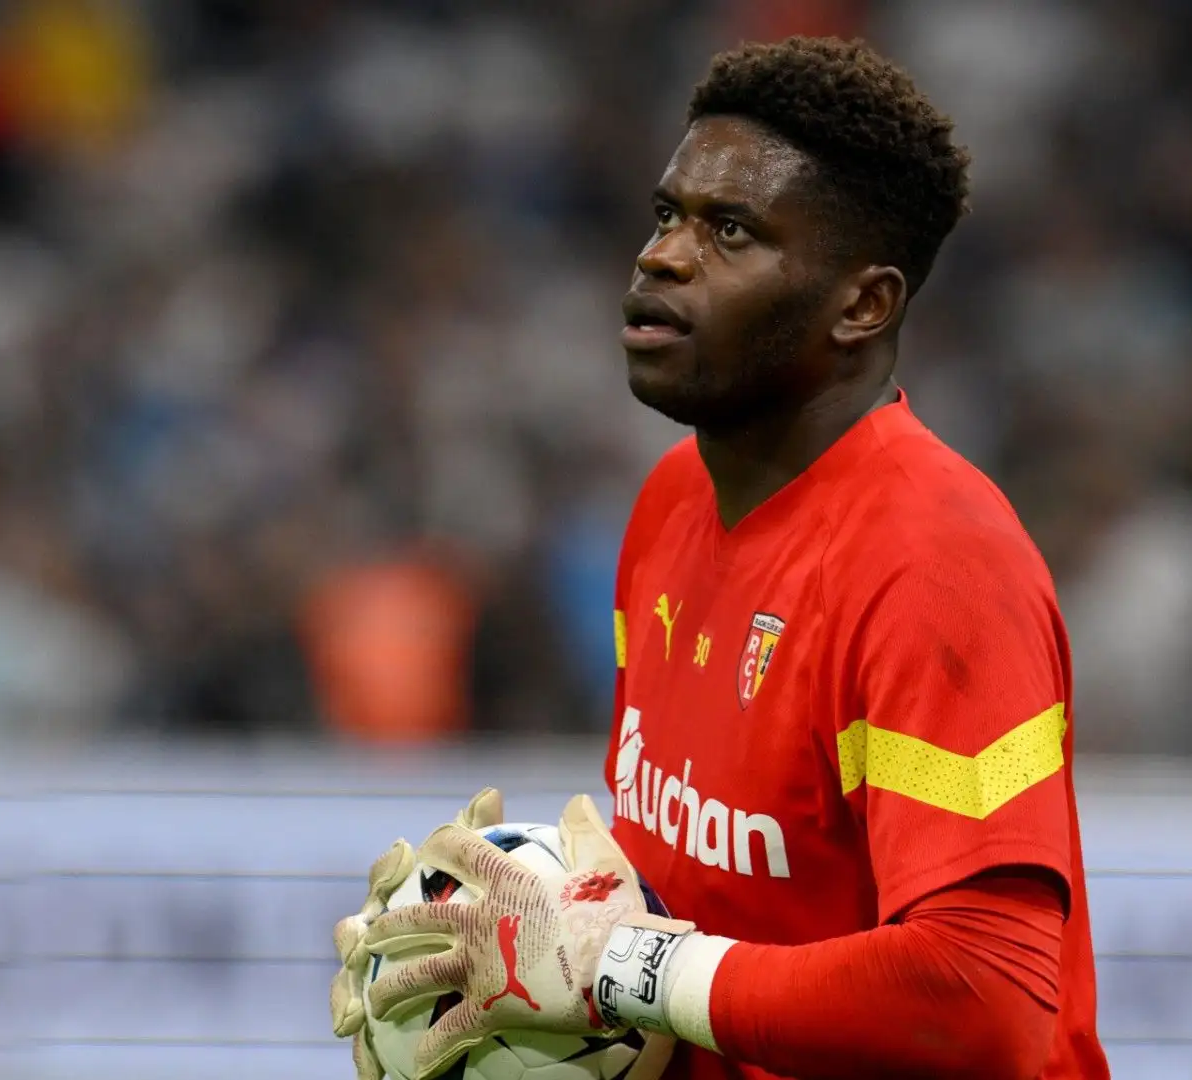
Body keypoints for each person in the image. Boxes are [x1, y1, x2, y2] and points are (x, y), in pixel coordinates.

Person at [332, 36, 1109, 1080]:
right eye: (667, 215)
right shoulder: (669, 504)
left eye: (730, 230)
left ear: (862, 305)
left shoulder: (938, 565)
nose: (662, 256)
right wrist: (516, 959)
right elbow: (696, 917)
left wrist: (624, 968)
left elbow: (986, 1000)